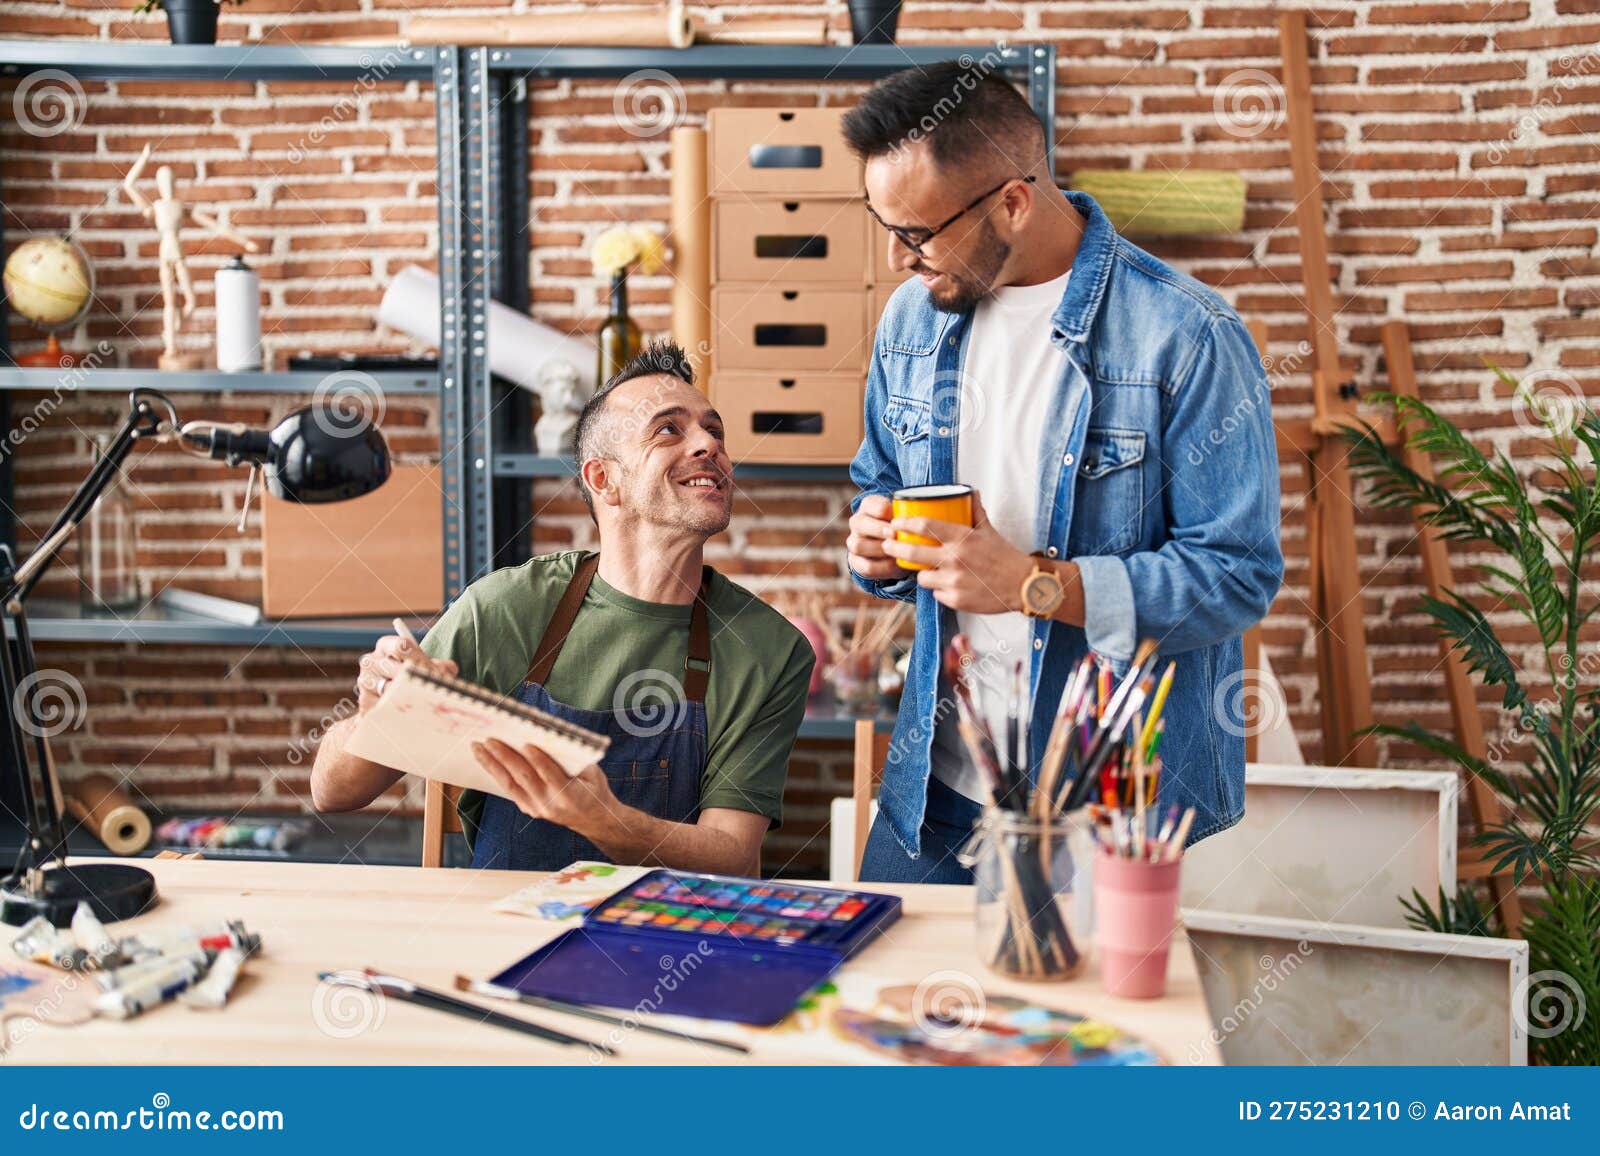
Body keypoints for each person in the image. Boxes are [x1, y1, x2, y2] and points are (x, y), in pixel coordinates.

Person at [842, 64, 1283, 883]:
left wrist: (1036, 586)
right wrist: (873, 545)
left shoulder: (1187, 336)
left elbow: (1238, 576)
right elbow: (878, 480)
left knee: (1086, 1018)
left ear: (1012, 202)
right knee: (882, 1003)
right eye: (883, 222)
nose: (897, 258)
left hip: (1109, 801)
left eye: (916, 232)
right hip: (937, 786)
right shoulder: (912, 319)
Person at [311, 341, 815, 874]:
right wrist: (381, 711)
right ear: (604, 480)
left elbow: (733, 859)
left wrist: (604, 820)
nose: (708, 446)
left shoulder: (768, 649)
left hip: (667, 940)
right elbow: (332, 792)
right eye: (670, 429)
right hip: (504, 937)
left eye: (715, 431)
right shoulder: (506, 609)